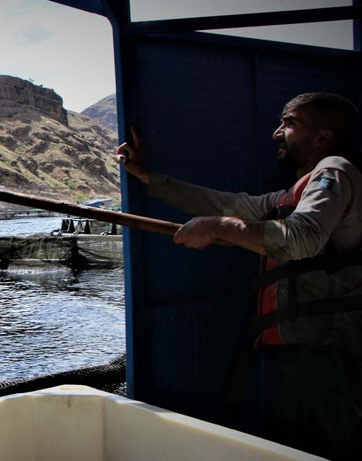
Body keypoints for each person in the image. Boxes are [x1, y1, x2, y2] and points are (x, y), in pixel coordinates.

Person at [116, 92, 362, 459]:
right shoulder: (290, 195)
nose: (277, 133)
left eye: (289, 124)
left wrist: (218, 227)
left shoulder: (335, 170)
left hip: (329, 357)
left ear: (322, 137)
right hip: (300, 354)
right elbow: (225, 204)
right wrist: (147, 176)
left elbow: (301, 237)